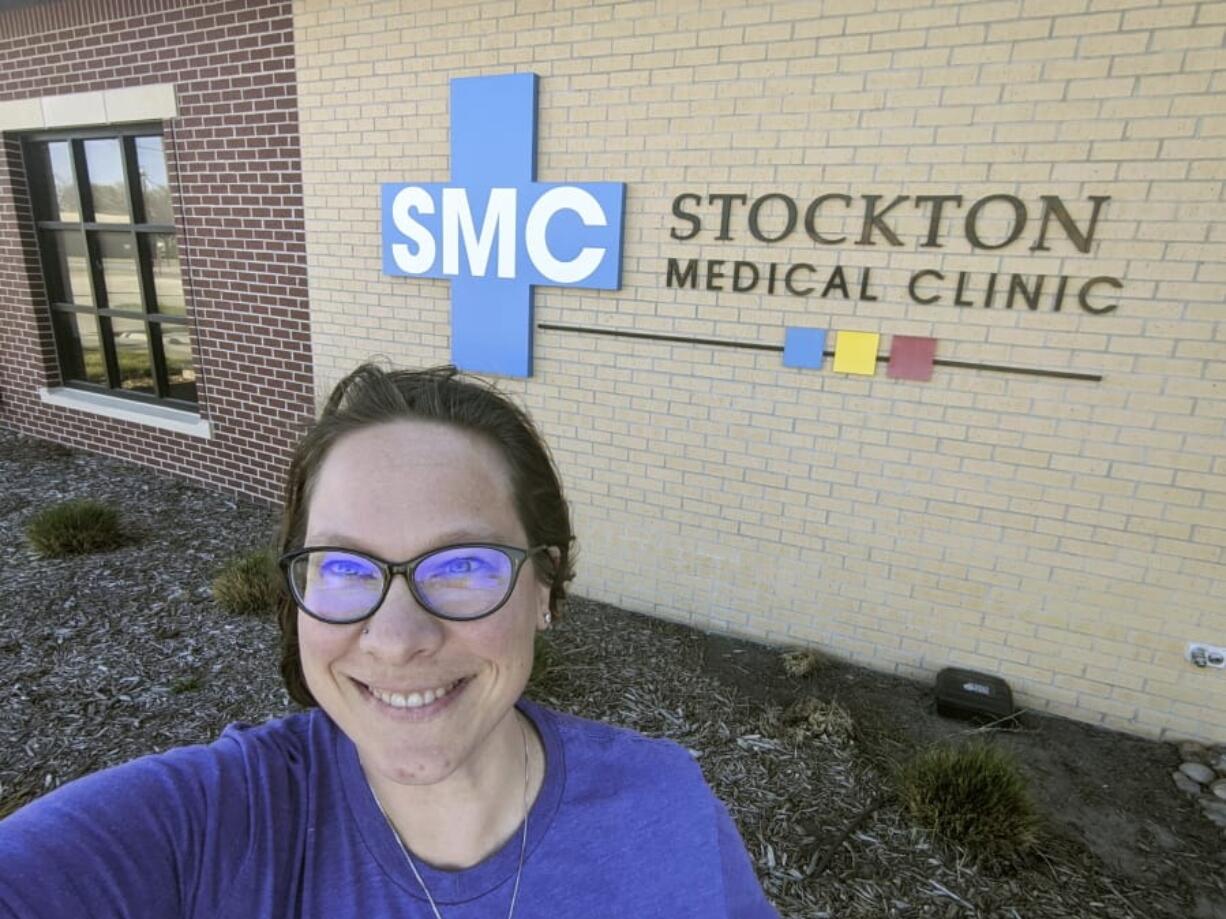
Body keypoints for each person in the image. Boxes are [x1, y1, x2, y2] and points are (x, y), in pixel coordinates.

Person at [0, 364, 779, 918]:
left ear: (545, 585)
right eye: (343, 565)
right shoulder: (208, 830)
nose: (397, 637)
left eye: (463, 564)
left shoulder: (667, 809)